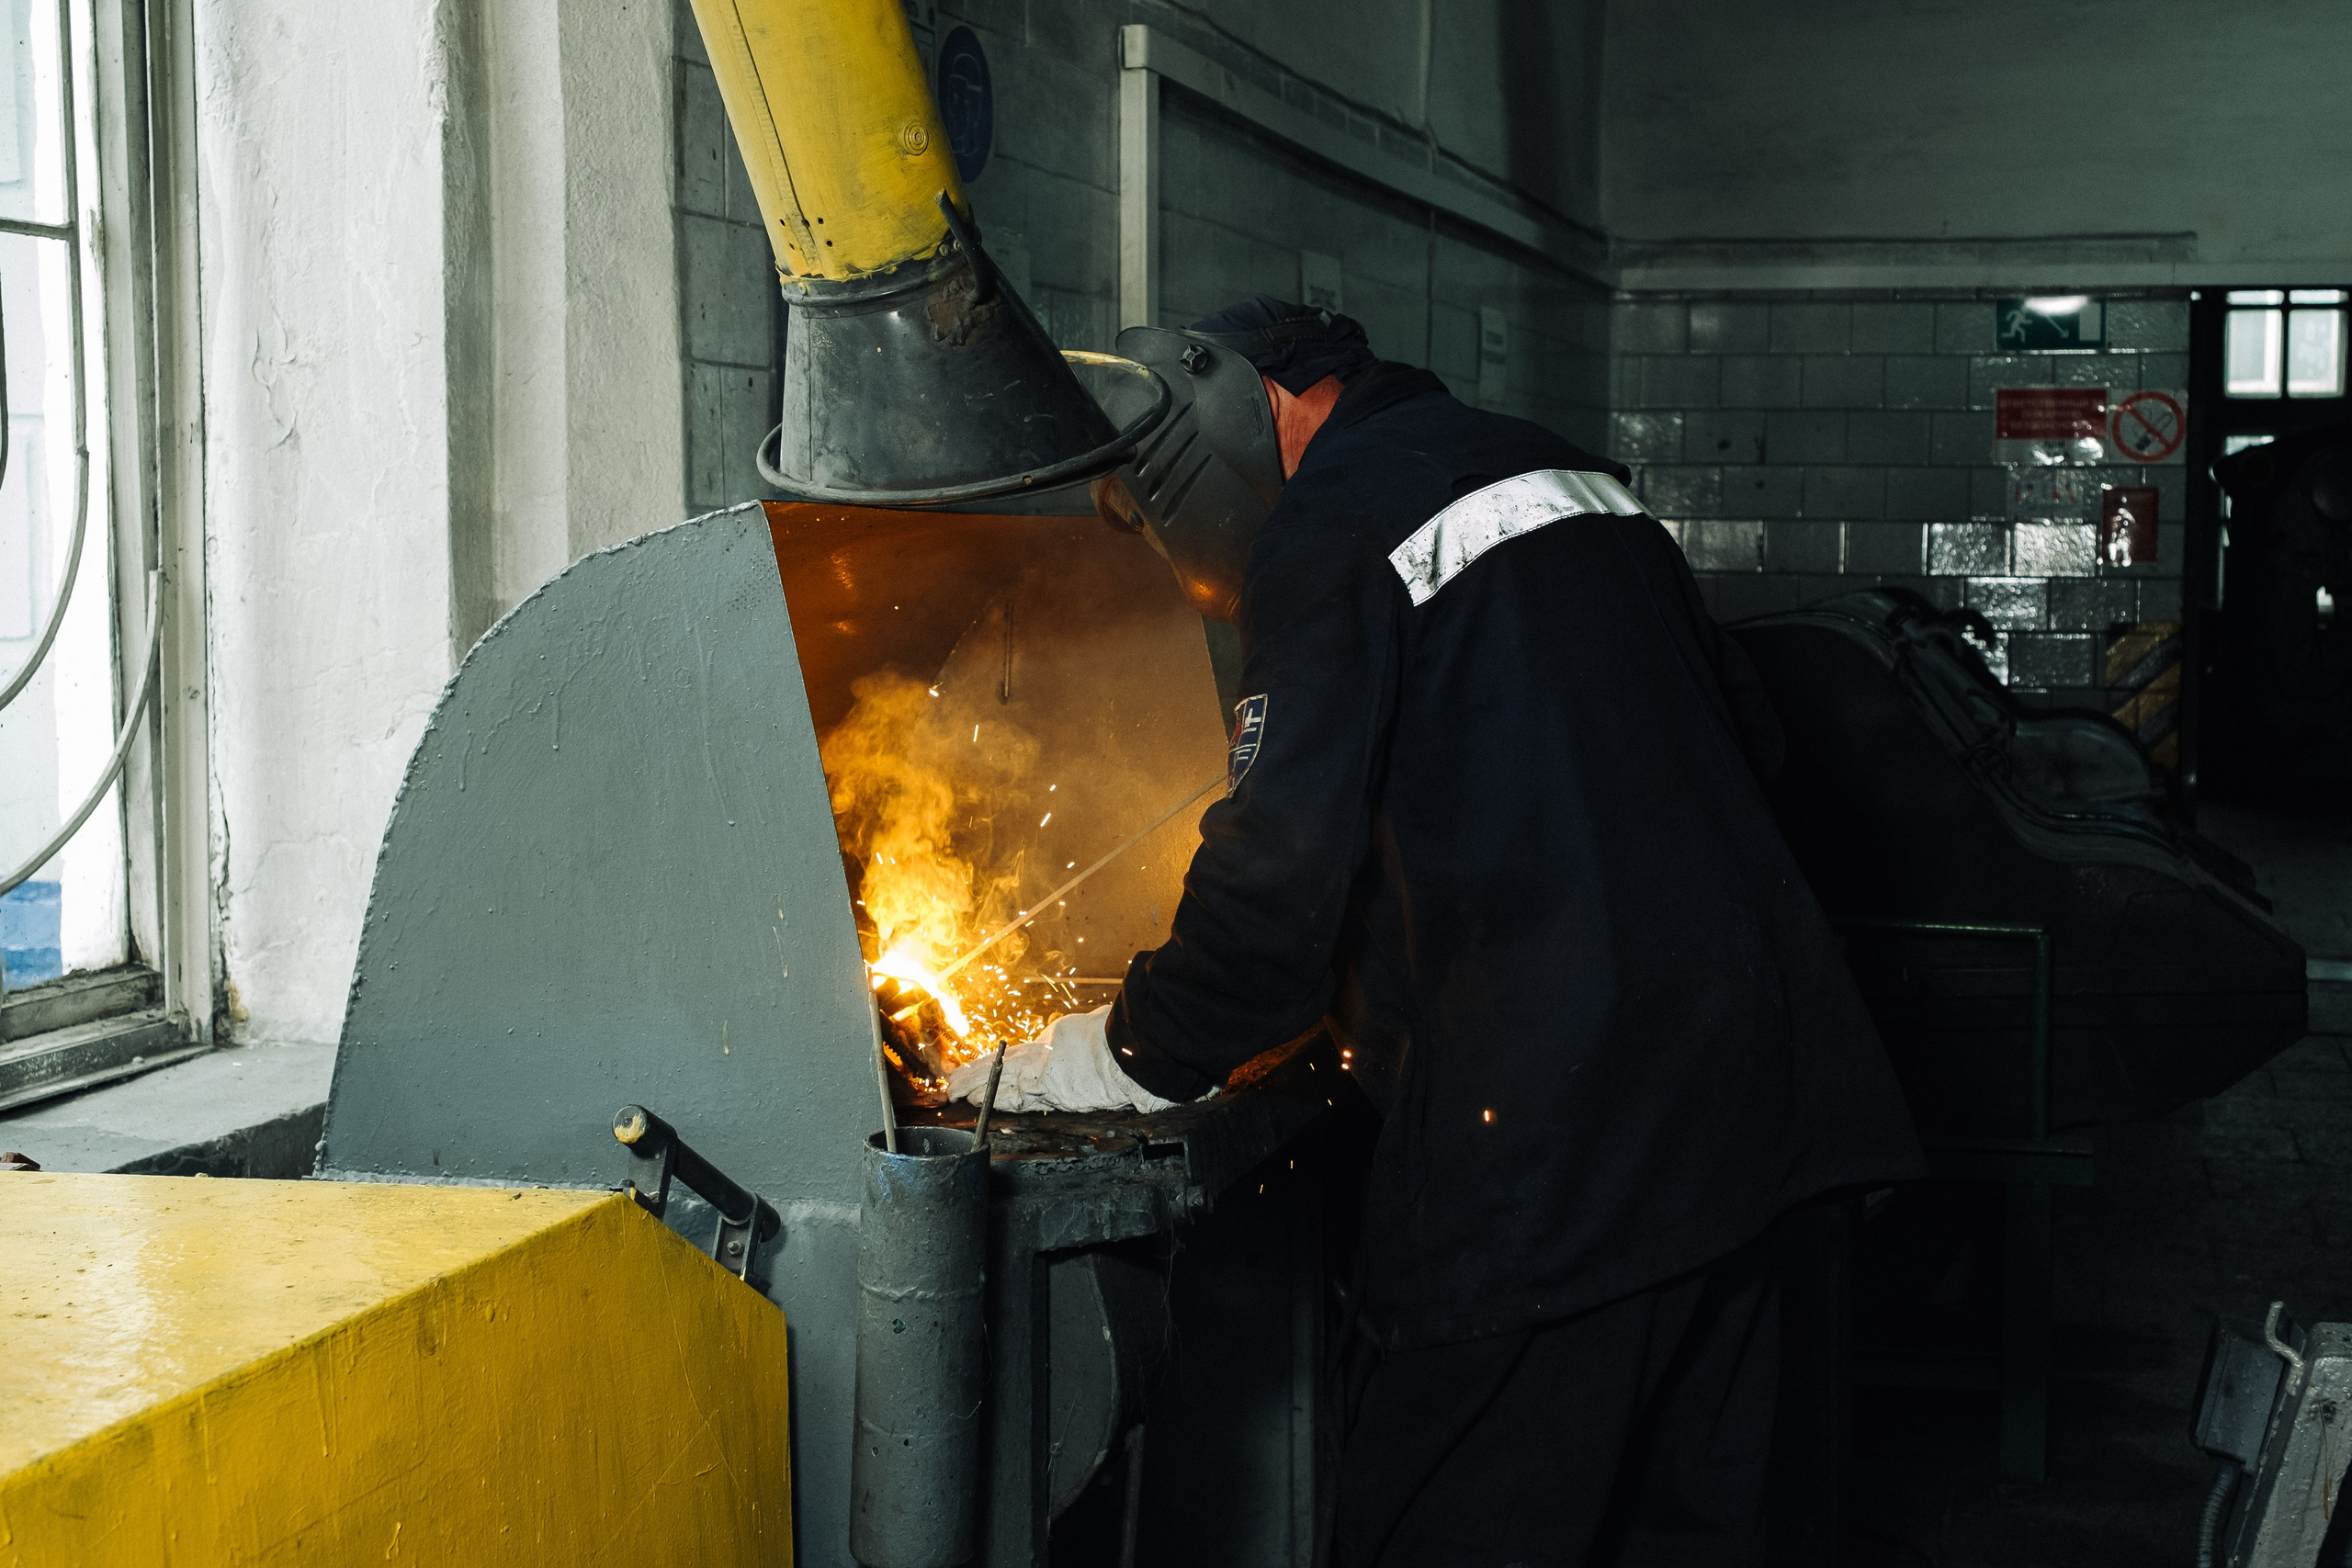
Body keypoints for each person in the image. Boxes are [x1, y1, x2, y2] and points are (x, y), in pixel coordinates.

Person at [948, 296, 1924, 1566]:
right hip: (1758, 1120)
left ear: (1242, 402)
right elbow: (1750, 744)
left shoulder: (1335, 525)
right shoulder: (1558, 469)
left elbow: (1271, 893)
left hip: (1562, 1163)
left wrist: (1124, 1056)